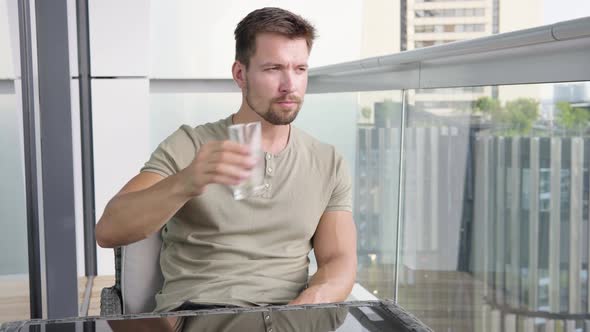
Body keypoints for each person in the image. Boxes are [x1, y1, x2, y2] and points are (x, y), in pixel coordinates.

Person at [96, 6, 357, 320]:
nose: (290, 84)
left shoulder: (327, 162)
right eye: (273, 68)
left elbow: (338, 260)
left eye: (299, 69)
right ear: (240, 74)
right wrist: (186, 182)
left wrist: (303, 308)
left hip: (289, 317)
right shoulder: (191, 145)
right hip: (201, 315)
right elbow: (108, 230)